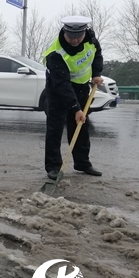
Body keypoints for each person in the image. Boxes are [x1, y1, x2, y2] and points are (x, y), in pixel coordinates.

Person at [42, 16, 104, 180]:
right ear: (65, 33)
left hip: (82, 87)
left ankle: (82, 163)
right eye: (71, 37)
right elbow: (62, 85)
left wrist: (96, 73)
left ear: (84, 33)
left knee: (81, 126)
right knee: (55, 128)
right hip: (58, 89)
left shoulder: (91, 40)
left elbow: (97, 55)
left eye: (79, 37)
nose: (75, 41)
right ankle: (53, 166)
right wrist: (75, 108)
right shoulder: (55, 54)